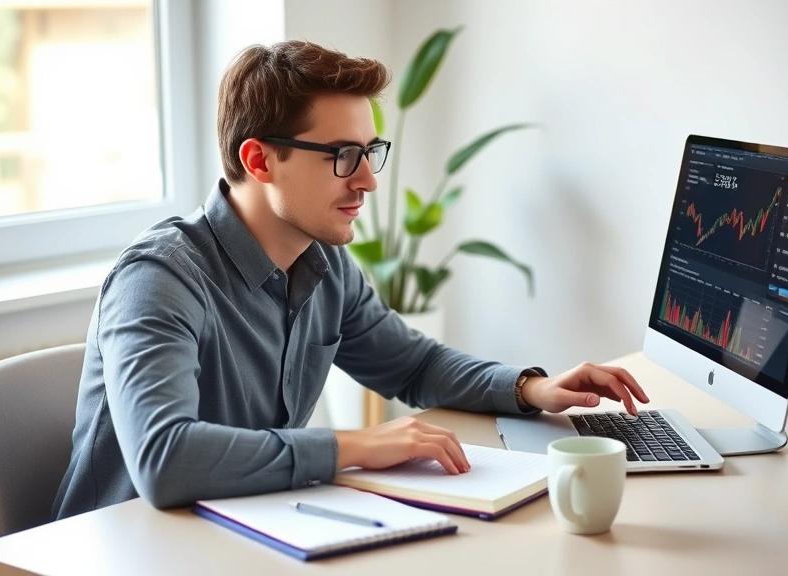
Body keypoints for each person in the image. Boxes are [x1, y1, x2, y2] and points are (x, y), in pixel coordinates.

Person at [52, 39, 648, 520]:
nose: (368, 181)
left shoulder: (324, 264)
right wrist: (353, 447)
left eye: (371, 152)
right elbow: (166, 460)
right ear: (259, 161)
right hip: (125, 550)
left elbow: (414, 367)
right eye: (342, 156)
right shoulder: (159, 278)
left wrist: (530, 390)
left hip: (249, 530)